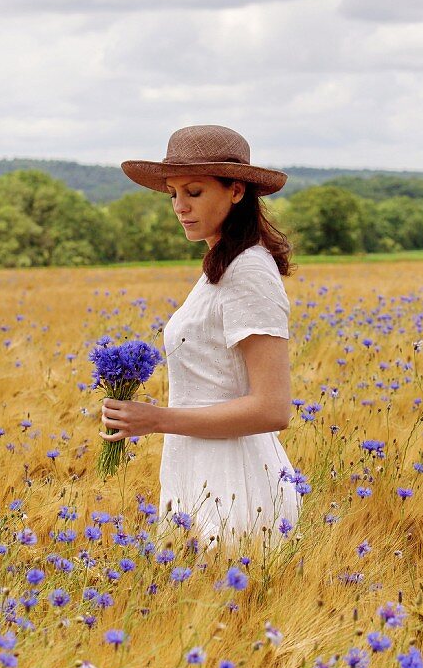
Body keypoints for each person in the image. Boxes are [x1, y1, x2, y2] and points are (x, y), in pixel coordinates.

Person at [100, 124, 301, 549]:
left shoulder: (248, 271)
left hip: (234, 481)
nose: (178, 206)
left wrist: (155, 420)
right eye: (173, 193)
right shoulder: (222, 266)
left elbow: (273, 408)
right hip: (199, 468)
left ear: (236, 191)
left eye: (194, 192)